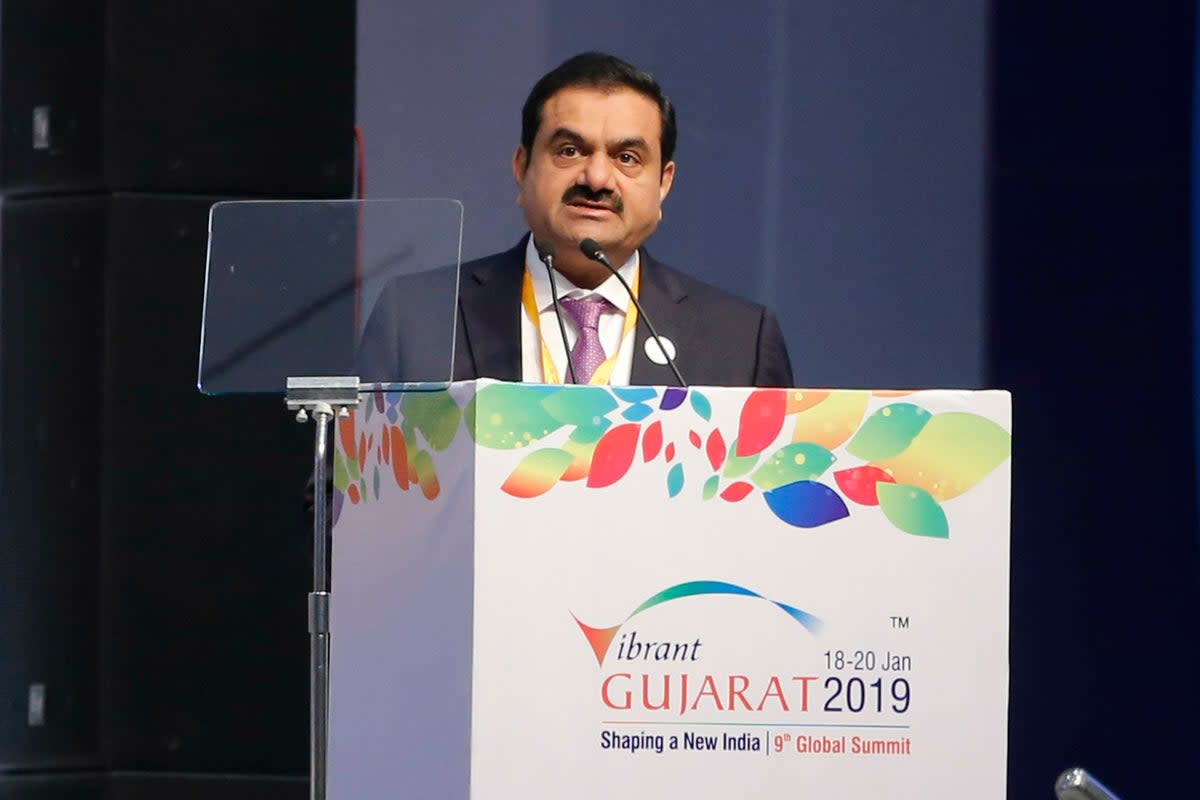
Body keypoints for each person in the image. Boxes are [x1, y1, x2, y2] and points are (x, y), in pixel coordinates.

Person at [359, 51, 792, 388]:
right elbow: (340, 491)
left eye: (627, 158)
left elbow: (766, 499)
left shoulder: (740, 342)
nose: (597, 178)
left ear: (663, 183)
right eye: (570, 151)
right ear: (522, 166)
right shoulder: (418, 319)